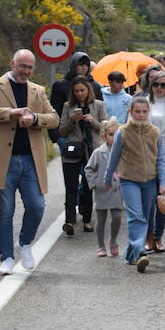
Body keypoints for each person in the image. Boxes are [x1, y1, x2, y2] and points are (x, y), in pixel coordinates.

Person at [0, 50, 60, 274]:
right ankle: (7, 258)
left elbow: (55, 118)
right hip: (4, 160)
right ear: (12, 63)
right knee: (5, 210)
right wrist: (9, 112)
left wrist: (35, 119)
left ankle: (25, 243)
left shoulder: (37, 91)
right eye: (22, 66)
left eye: (30, 68)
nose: (26, 71)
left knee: (37, 206)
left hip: (31, 160)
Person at [102, 96, 165, 273]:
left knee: (145, 218)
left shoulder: (155, 132)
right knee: (136, 216)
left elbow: (161, 159)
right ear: (130, 112)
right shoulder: (122, 132)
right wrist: (107, 179)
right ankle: (140, 252)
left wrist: (163, 182)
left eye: (144, 112)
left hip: (150, 181)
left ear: (149, 112)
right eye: (137, 111)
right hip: (129, 180)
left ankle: (131, 254)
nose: (140, 115)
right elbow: (114, 158)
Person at [56, 76, 107, 237]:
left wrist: (92, 121)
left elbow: (104, 128)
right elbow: (61, 131)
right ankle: (69, 220)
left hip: (91, 151)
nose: (79, 94)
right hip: (72, 151)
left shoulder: (98, 105)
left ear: (88, 90)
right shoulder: (67, 106)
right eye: (76, 91)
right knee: (70, 187)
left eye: (82, 90)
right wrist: (72, 121)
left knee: (87, 186)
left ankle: (86, 219)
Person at [143, 69, 165, 251]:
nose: (159, 88)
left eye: (163, 85)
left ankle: (158, 236)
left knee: (162, 199)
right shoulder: (142, 104)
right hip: (145, 156)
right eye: (156, 84)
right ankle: (148, 236)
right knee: (148, 200)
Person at [84, 120, 124, 257]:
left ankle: (113, 240)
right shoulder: (98, 152)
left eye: (116, 134)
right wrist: (95, 183)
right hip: (102, 190)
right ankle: (101, 245)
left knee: (117, 217)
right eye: (111, 134)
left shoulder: (123, 152)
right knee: (101, 220)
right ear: (104, 136)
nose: (114, 137)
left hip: (117, 190)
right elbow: (88, 169)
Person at [49, 51, 102, 128]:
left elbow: (100, 113)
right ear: (74, 65)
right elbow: (54, 113)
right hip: (67, 132)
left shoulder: (95, 86)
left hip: (92, 131)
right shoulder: (60, 86)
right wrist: (57, 136)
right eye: (80, 64)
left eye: (86, 65)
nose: (84, 68)